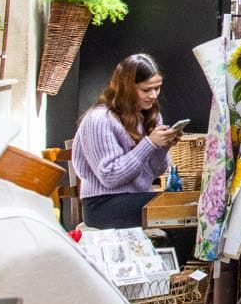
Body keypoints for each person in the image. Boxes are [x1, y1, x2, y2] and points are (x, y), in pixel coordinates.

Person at [70, 53, 180, 230]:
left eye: (157, 88)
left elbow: (155, 172)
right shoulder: (99, 119)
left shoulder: (151, 115)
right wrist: (149, 144)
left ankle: (172, 257)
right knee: (176, 212)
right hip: (103, 203)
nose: (153, 95)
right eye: (146, 90)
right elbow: (110, 177)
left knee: (185, 206)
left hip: (137, 198)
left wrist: (162, 147)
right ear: (127, 87)